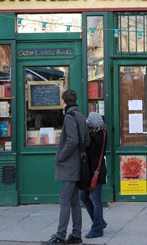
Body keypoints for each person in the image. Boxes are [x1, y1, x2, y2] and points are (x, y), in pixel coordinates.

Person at [43, 90, 90, 245]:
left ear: (64, 102)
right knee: (74, 201)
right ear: (75, 100)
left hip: (69, 166)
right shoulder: (81, 116)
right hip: (78, 165)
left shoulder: (69, 117)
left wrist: (61, 156)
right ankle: (76, 235)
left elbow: (72, 141)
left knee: (64, 200)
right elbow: (86, 141)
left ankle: (60, 236)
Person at [79, 112, 108, 238]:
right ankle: (100, 222)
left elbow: (88, 156)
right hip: (99, 170)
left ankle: (97, 230)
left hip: (93, 171)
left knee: (96, 201)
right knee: (84, 197)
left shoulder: (92, 138)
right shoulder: (103, 133)